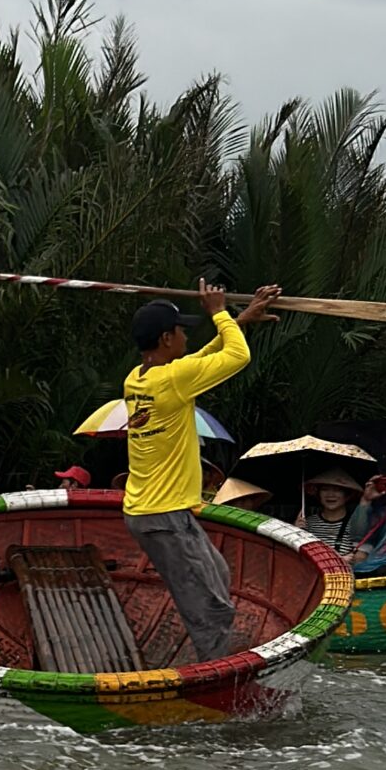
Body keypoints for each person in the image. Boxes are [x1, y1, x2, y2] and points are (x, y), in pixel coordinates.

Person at [121, 279, 281, 662]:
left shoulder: (139, 377)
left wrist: (238, 319)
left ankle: (212, 657)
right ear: (165, 339)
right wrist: (218, 313)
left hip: (159, 511)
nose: (186, 339)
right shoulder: (173, 380)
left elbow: (200, 361)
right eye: (181, 332)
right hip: (163, 515)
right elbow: (238, 358)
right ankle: (215, 680)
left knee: (219, 576)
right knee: (210, 608)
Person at [299, 468, 362, 549]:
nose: (330, 494)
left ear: (347, 495)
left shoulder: (356, 523)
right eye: (325, 489)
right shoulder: (307, 522)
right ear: (318, 494)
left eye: (337, 490)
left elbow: (360, 554)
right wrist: (295, 532)